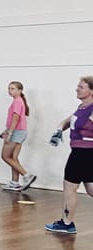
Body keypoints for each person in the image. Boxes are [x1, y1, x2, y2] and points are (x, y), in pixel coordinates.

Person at [45, 76, 93, 235]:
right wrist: (59, 130)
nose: (77, 89)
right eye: (77, 86)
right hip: (80, 152)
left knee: (70, 186)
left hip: (84, 153)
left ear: (91, 91)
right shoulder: (81, 107)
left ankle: (67, 223)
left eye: (81, 87)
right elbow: (69, 121)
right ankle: (67, 222)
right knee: (90, 188)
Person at [0, 81, 37, 191]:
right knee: (13, 158)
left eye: (13, 89)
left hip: (16, 132)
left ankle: (27, 175)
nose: (10, 91)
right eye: (9, 89)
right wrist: (6, 131)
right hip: (21, 131)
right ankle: (14, 182)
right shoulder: (19, 101)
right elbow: (16, 120)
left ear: (20, 90)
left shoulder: (17, 102)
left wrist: (9, 134)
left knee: (5, 156)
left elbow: (15, 119)